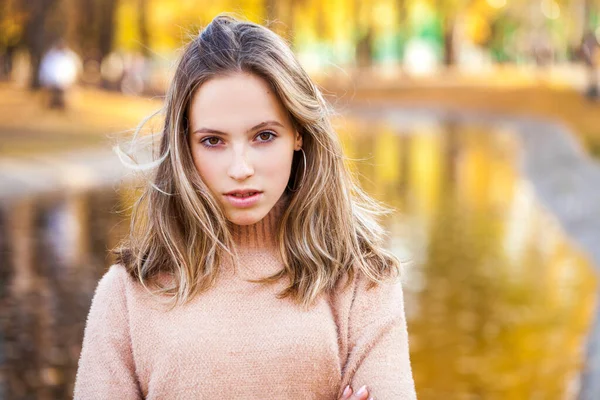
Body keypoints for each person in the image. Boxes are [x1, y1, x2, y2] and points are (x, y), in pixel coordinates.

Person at [73, 13, 416, 399]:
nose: (241, 169)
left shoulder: (362, 279)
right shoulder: (127, 294)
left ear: (298, 133)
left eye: (264, 135)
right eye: (213, 141)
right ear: (184, 145)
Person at [39, 39, 80, 109]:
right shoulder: (50, 56)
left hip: (66, 83)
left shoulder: (71, 57)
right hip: (51, 82)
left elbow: (76, 70)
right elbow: (44, 69)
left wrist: (70, 82)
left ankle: (62, 104)